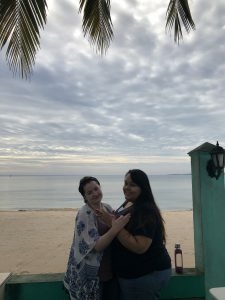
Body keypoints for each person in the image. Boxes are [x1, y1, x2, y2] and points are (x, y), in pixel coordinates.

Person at [63, 176, 130, 300]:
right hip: (92, 276)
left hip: (109, 271)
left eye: (96, 189)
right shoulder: (84, 214)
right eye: (89, 192)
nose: (95, 193)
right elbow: (97, 246)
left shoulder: (107, 208)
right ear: (84, 197)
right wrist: (115, 228)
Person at [112, 169, 172, 300]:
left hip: (144, 274)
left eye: (132, 185)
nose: (126, 188)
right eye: (125, 183)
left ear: (142, 188)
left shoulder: (145, 210)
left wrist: (114, 225)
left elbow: (140, 247)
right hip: (135, 274)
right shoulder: (129, 202)